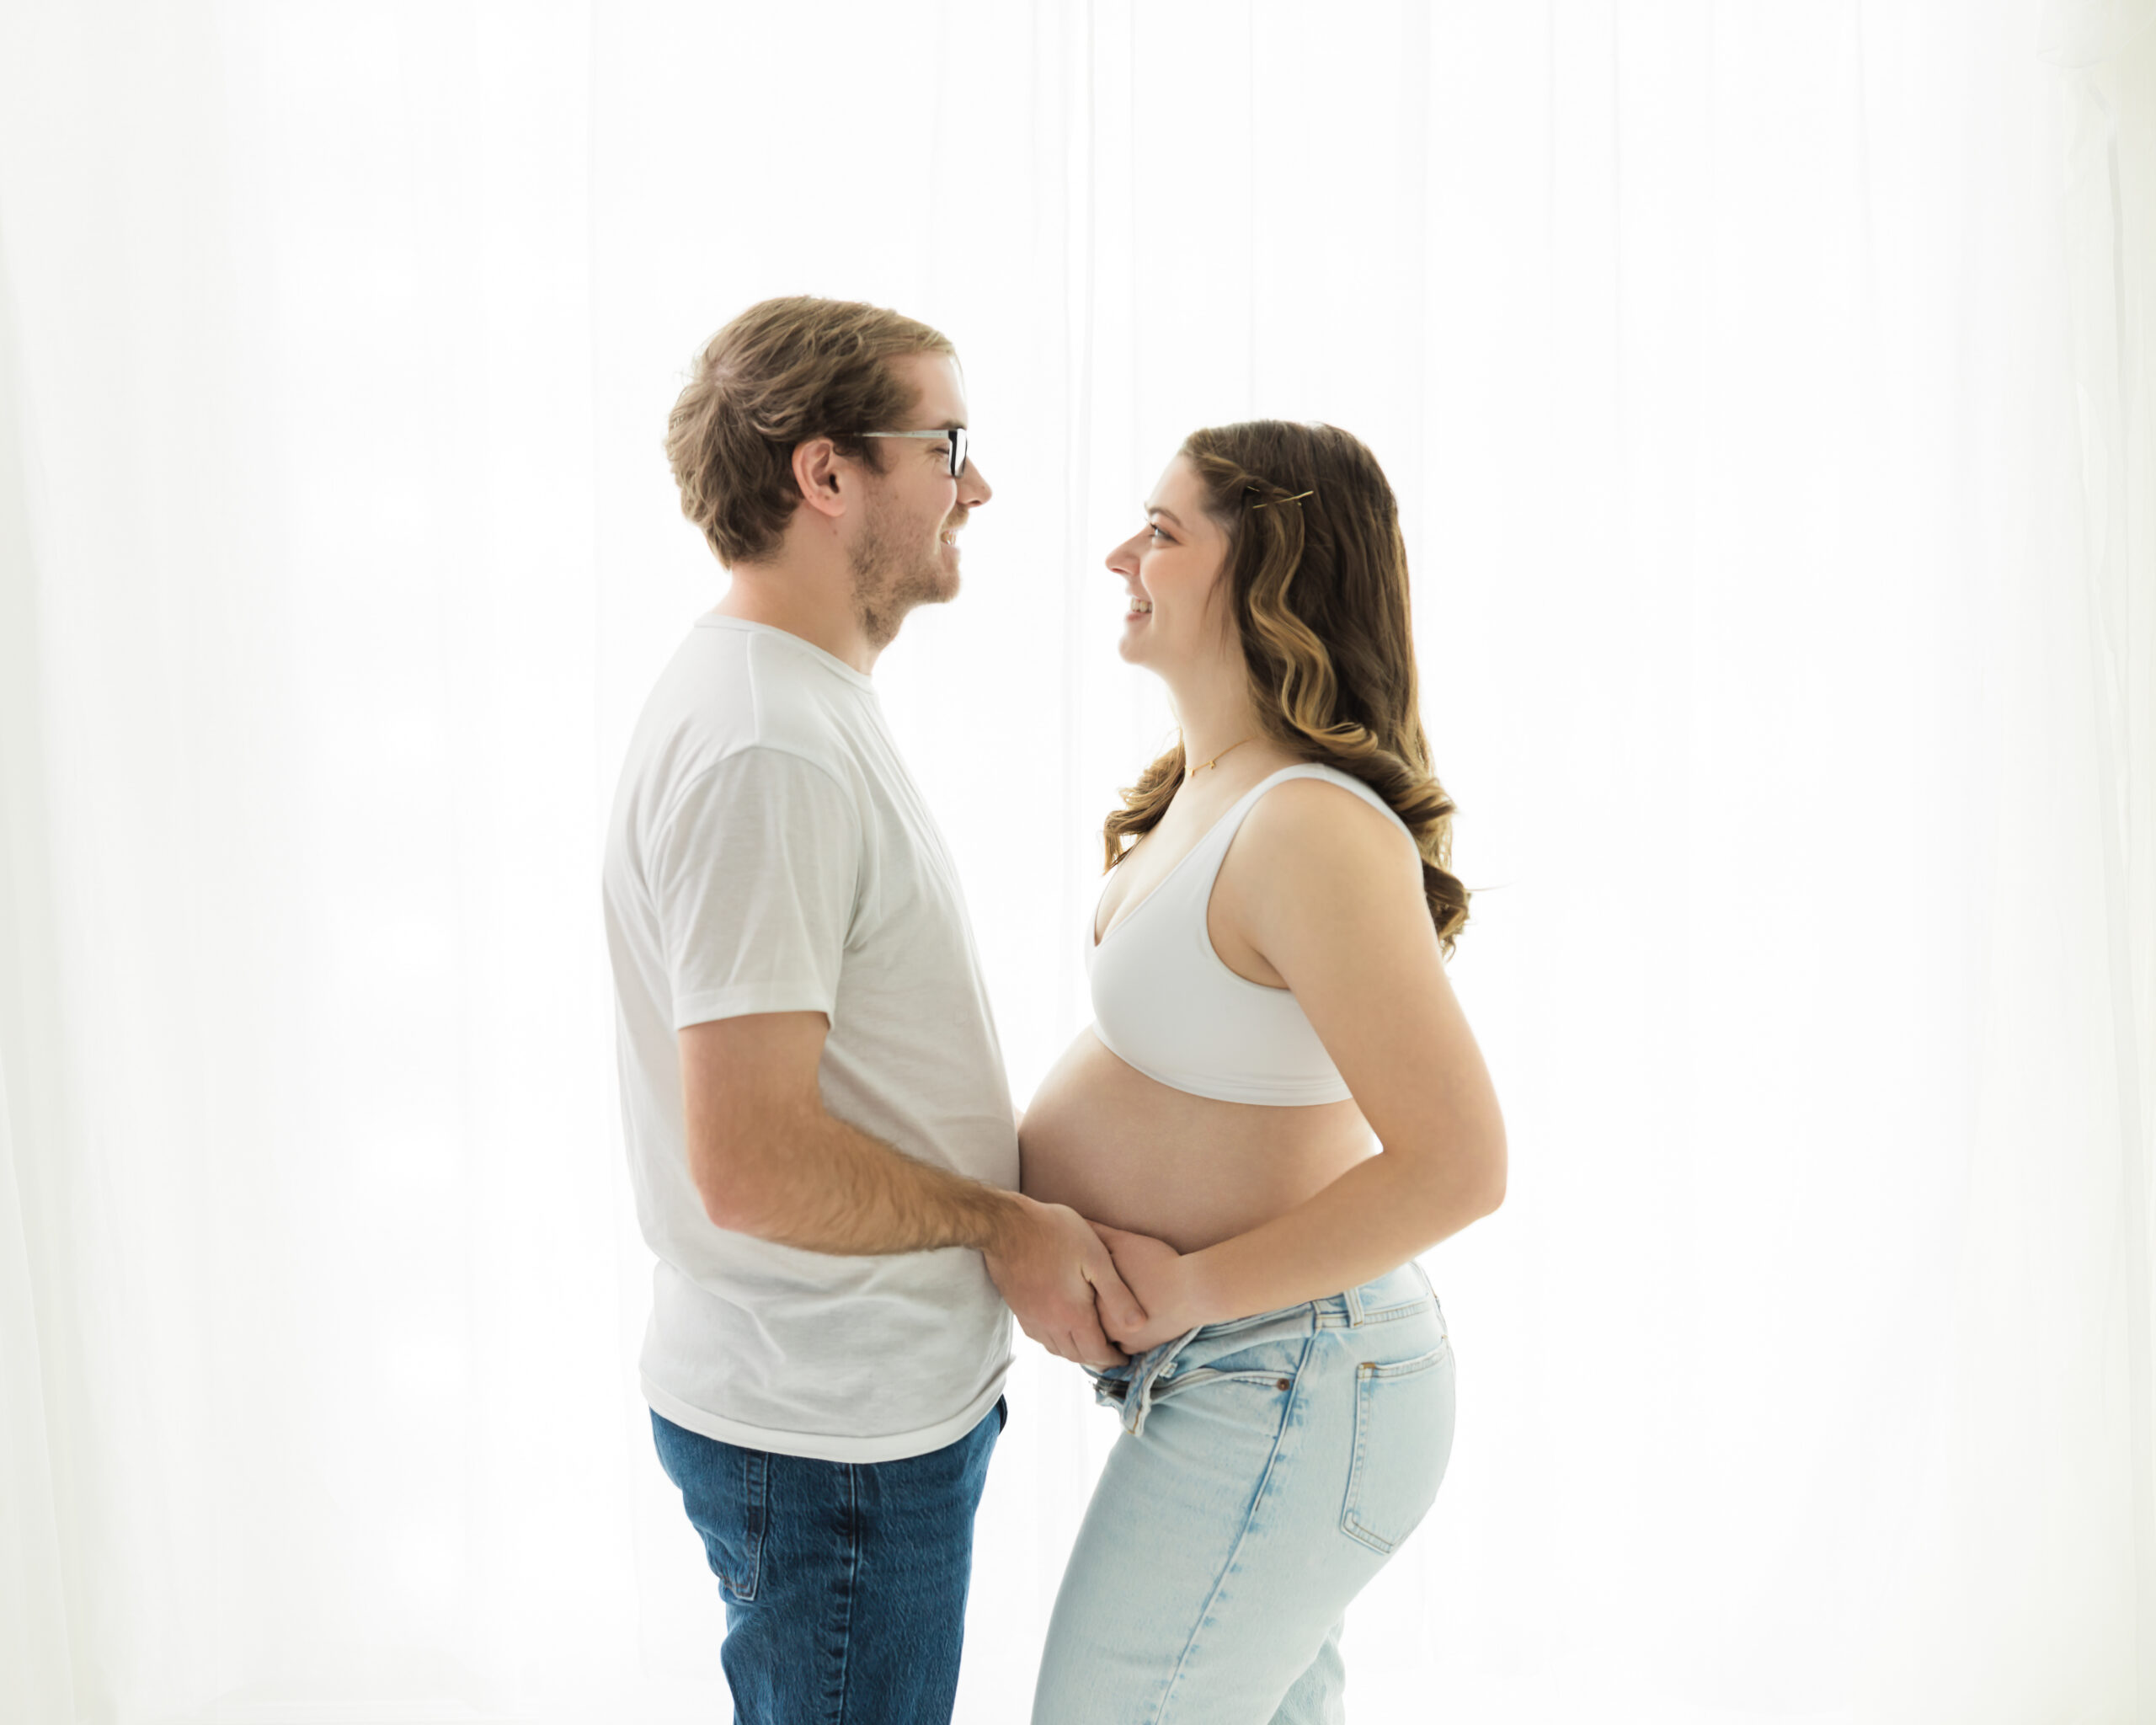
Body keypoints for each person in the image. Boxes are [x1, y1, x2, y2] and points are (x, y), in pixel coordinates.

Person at [601, 295, 1149, 1725]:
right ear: (826, 475)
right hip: (830, 1440)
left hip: (843, 1418)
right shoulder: (765, 748)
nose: (978, 486)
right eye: (946, 443)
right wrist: (1004, 1223)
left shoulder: (793, 702)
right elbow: (754, 1163)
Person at [1020, 420, 1508, 1723]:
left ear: (1271, 575)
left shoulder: (1308, 825)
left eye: (1165, 532)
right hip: (1254, 1373)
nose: (1124, 553)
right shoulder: (1212, 786)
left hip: (1288, 1368)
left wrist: (1192, 1288)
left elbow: (1462, 1167)